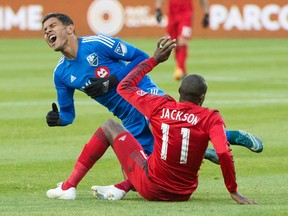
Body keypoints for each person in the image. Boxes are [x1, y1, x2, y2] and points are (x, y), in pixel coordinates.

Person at [42, 13, 262, 200]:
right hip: (127, 116)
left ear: (70, 28)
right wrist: (58, 120)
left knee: (177, 128)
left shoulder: (98, 44)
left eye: (52, 26)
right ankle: (203, 151)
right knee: (142, 170)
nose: (47, 32)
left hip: (145, 96)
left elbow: (141, 57)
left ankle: (231, 135)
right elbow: (68, 114)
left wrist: (113, 80)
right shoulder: (60, 75)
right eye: (44, 30)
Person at [88, 37, 256, 203]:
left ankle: (72, 186)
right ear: (203, 97)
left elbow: (124, 87)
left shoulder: (160, 106)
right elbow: (224, 153)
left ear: (179, 90)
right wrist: (233, 191)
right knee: (170, 147)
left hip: (150, 189)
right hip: (183, 194)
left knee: (111, 128)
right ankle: (118, 188)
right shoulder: (211, 117)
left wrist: (153, 60)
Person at [155, 0, 210, 80]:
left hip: (186, 14)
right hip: (172, 14)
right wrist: (158, 9)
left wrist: (206, 13)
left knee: (182, 40)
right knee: (174, 42)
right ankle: (182, 70)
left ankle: (179, 68)